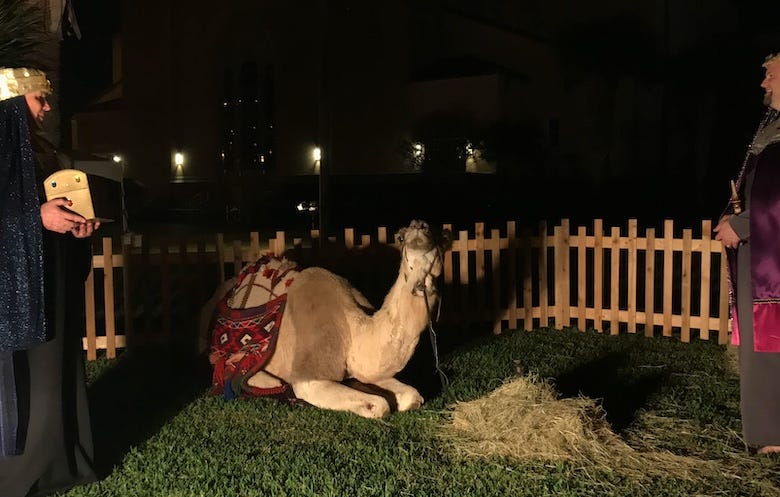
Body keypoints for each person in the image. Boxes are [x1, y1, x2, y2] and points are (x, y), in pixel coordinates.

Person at [0, 1, 100, 494]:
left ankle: (60, 463)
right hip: (11, 303)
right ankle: (21, 474)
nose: (46, 108)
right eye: (40, 99)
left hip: (45, 288)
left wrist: (74, 231)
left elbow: (43, 215)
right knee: (27, 391)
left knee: (56, 380)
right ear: (15, 97)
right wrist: (34, 218)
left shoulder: (40, 151)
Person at [714, 51, 780, 455]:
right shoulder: (769, 128)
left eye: (770, 73)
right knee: (761, 341)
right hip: (759, 249)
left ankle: (774, 435)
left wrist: (740, 225)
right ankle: (768, 432)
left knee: (773, 338)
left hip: (771, 256)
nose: (763, 83)